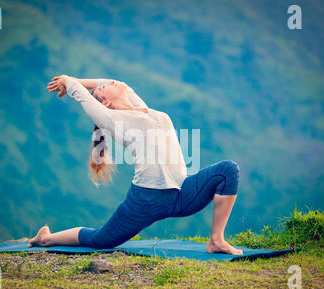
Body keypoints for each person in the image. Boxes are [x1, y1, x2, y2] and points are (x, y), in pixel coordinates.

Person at [29, 75, 243, 255]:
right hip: (147, 199)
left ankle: (216, 240)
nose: (110, 82)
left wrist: (77, 79)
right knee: (101, 239)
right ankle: (46, 239)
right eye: (105, 87)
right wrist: (67, 81)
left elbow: (112, 81)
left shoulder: (142, 108)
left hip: (181, 193)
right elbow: (82, 96)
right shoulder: (111, 118)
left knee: (228, 170)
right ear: (105, 103)